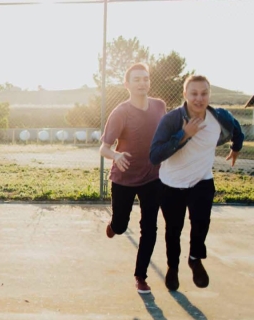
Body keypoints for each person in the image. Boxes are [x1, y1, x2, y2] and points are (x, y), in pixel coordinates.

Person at [150, 75, 244, 291]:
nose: (199, 98)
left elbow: (237, 129)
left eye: (204, 93)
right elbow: (154, 155)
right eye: (194, 93)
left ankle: (194, 258)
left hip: (202, 181)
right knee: (173, 230)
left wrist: (236, 148)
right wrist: (184, 135)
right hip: (171, 184)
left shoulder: (220, 117)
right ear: (185, 95)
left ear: (209, 95)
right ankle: (172, 267)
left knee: (201, 224)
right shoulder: (172, 120)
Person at [100, 63, 166, 294]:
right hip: (124, 177)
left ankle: (140, 276)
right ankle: (113, 226)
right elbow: (104, 148)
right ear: (127, 84)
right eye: (137, 79)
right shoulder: (120, 112)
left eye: (145, 79)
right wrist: (116, 155)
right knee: (121, 225)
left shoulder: (159, 106)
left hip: (153, 176)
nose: (142, 83)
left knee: (149, 227)